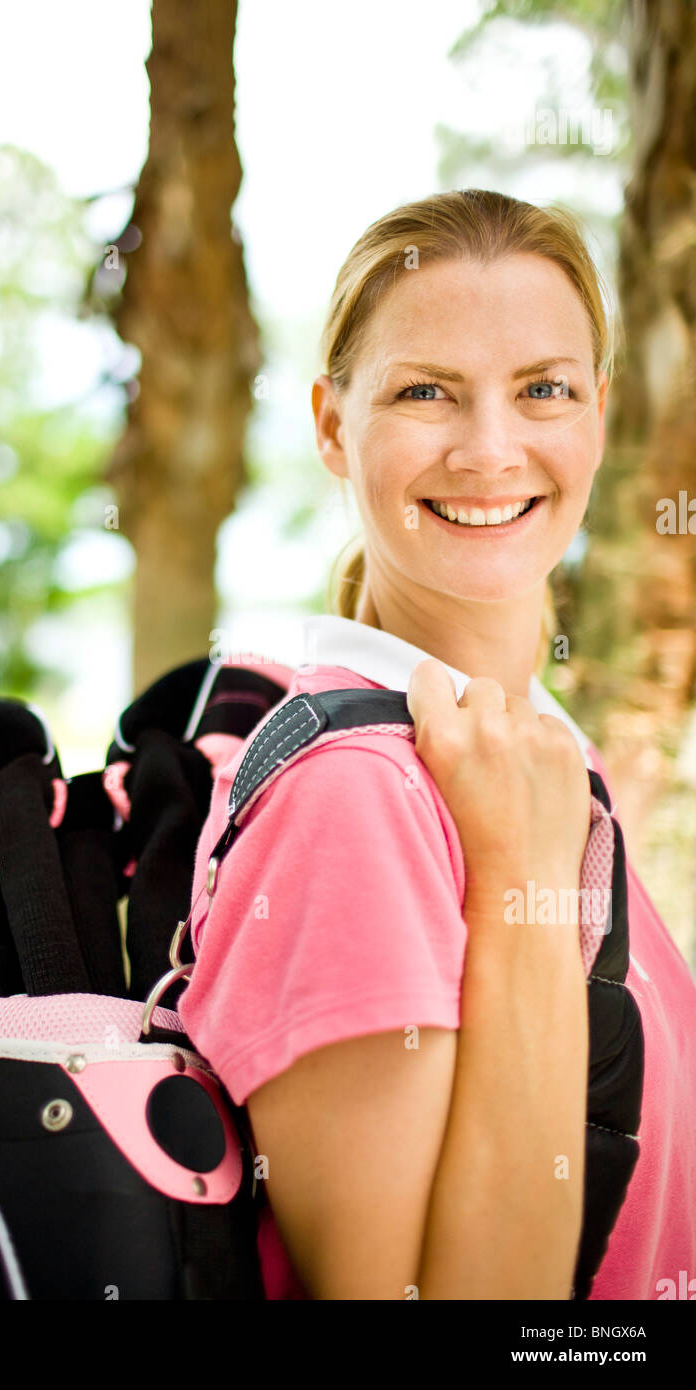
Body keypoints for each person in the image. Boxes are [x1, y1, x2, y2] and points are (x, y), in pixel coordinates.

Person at [175, 189, 696, 1300]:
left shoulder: (546, 761)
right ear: (329, 426)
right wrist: (516, 878)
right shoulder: (354, 793)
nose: (489, 450)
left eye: (542, 389)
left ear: (595, 414)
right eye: (425, 391)